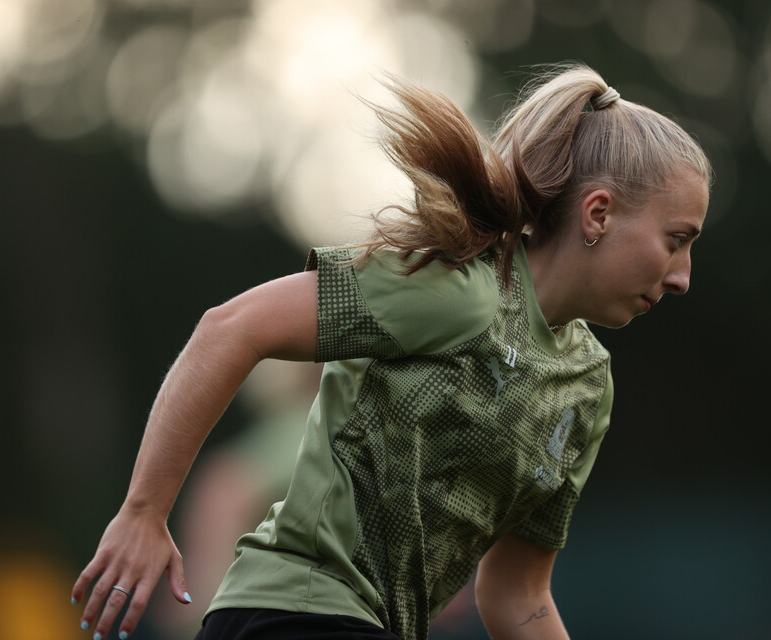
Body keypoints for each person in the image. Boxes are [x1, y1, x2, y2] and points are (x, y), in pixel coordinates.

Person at [71, 63, 712, 640]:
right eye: (676, 239)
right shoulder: (463, 293)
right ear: (598, 214)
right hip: (289, 613)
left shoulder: (587, 389)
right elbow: (230, 328)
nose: (683, 276)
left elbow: (516, 593)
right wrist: (144, 512)